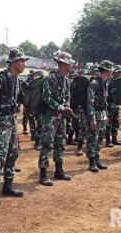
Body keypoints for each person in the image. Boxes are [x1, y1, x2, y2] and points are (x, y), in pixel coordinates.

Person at [0, 47, 27, 205]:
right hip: (1, 122)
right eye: (21, 61)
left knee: (13, 153)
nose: (23, 64)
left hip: (12, 121)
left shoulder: (16, 80)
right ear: (14, 62)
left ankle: (8, 186)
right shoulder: (1, 79)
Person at [38, 51, 75, 186]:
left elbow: (68, 97)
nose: (71, 66)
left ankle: (59, 170)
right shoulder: (51, 78)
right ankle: (43, 174)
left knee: (60, 143)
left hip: (61, 117)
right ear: (63, 64)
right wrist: (61, 108)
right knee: (47, 143)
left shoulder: (66, 80)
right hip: (50, 117)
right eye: (69, 63)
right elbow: (46, 98)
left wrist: (67, 108)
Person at [86, 60, 114, 172]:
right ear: (107, 70)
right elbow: (90, 102)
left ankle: (97, 159)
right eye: (111, 69)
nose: (112, 72)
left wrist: (106, 114)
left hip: (102, 114)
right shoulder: (94, 83)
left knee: (100, 138)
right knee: (93, 138)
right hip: (95, 114)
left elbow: (105, 101)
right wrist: (92, 119)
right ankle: (92, 162)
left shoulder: (105, 82)